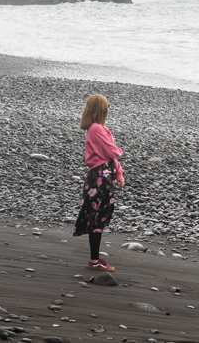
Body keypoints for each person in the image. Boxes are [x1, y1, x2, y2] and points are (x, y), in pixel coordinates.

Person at [73, 94, 125, 272]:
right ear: (101, 109)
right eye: (107, 106)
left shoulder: (99, 128)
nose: (109, 109)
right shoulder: (96, 129)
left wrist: (119, 174)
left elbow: (110, 157)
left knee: (100, 216)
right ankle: (94, 260)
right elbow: (112, 153)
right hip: (99, 178)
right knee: (98, 217)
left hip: (104, 176)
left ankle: (95, 259)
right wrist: (119, 150)